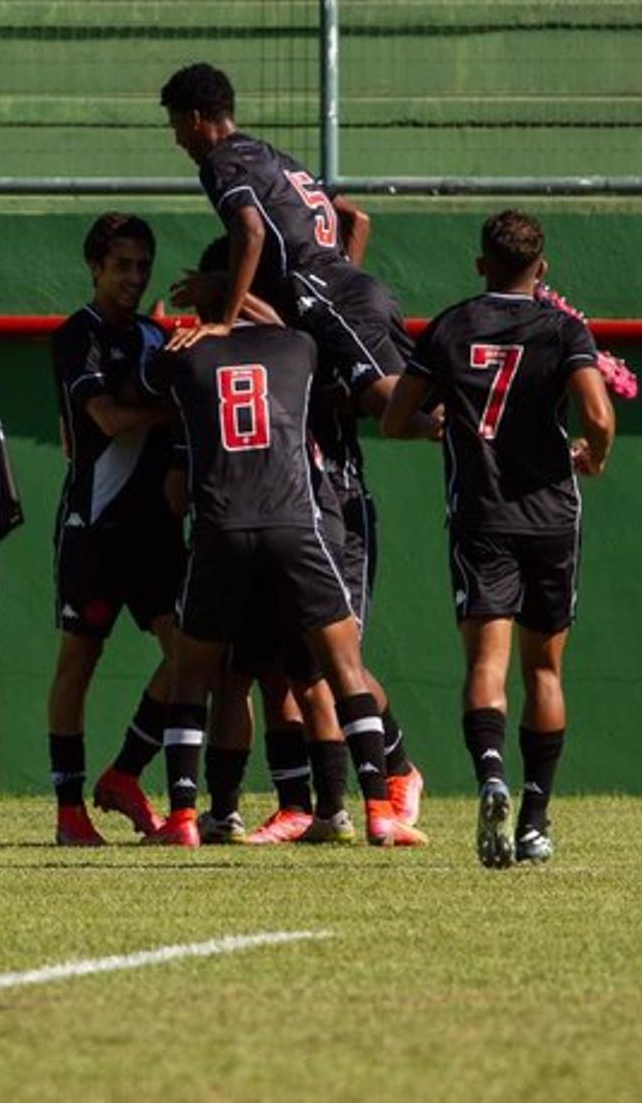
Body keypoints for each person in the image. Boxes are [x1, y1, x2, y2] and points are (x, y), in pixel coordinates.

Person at [139, 264, 421, 849]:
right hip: (297, 522)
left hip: (221, 524)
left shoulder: (183, 357)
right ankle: (376, 811)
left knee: (198, 678)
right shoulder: (300, 346)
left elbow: (151, 381)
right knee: (340, 669)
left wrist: (200, 326)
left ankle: (186, 818)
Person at [381, 210, 616, 870]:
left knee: (486, 663)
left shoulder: (452, 325)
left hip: (481, 514)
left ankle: (490, 775)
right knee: (544, 667)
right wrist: (594, 455)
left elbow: (397, 420)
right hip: (549, 515)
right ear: (542, 269)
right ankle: (536, 818)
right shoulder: (563, 327)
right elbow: (598, 414)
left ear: (480, 263)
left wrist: (446, 426)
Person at [157, 62, 407, 420]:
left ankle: (454, 427)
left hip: (321, 288)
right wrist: (344, 274)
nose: (177, 139)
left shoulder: (219, 162)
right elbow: (357, 219)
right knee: (407, 396)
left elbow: (251, 230)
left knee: (388, 404)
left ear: (195, 118)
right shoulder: (276, 159)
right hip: (361, 288)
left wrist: (226, 319)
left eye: (176, 125)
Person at [46, 213, 186, 845]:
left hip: (155, 531)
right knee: (80, 660)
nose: (134, 276)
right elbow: (104, 418)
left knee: (190, 659)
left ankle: (126, 772)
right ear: (95, 267)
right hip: (95, 528)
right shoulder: (80, 335)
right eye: (122, 264)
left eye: (142, 265)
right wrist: (169, 409)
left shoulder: (161, 337)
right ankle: (69, 811)